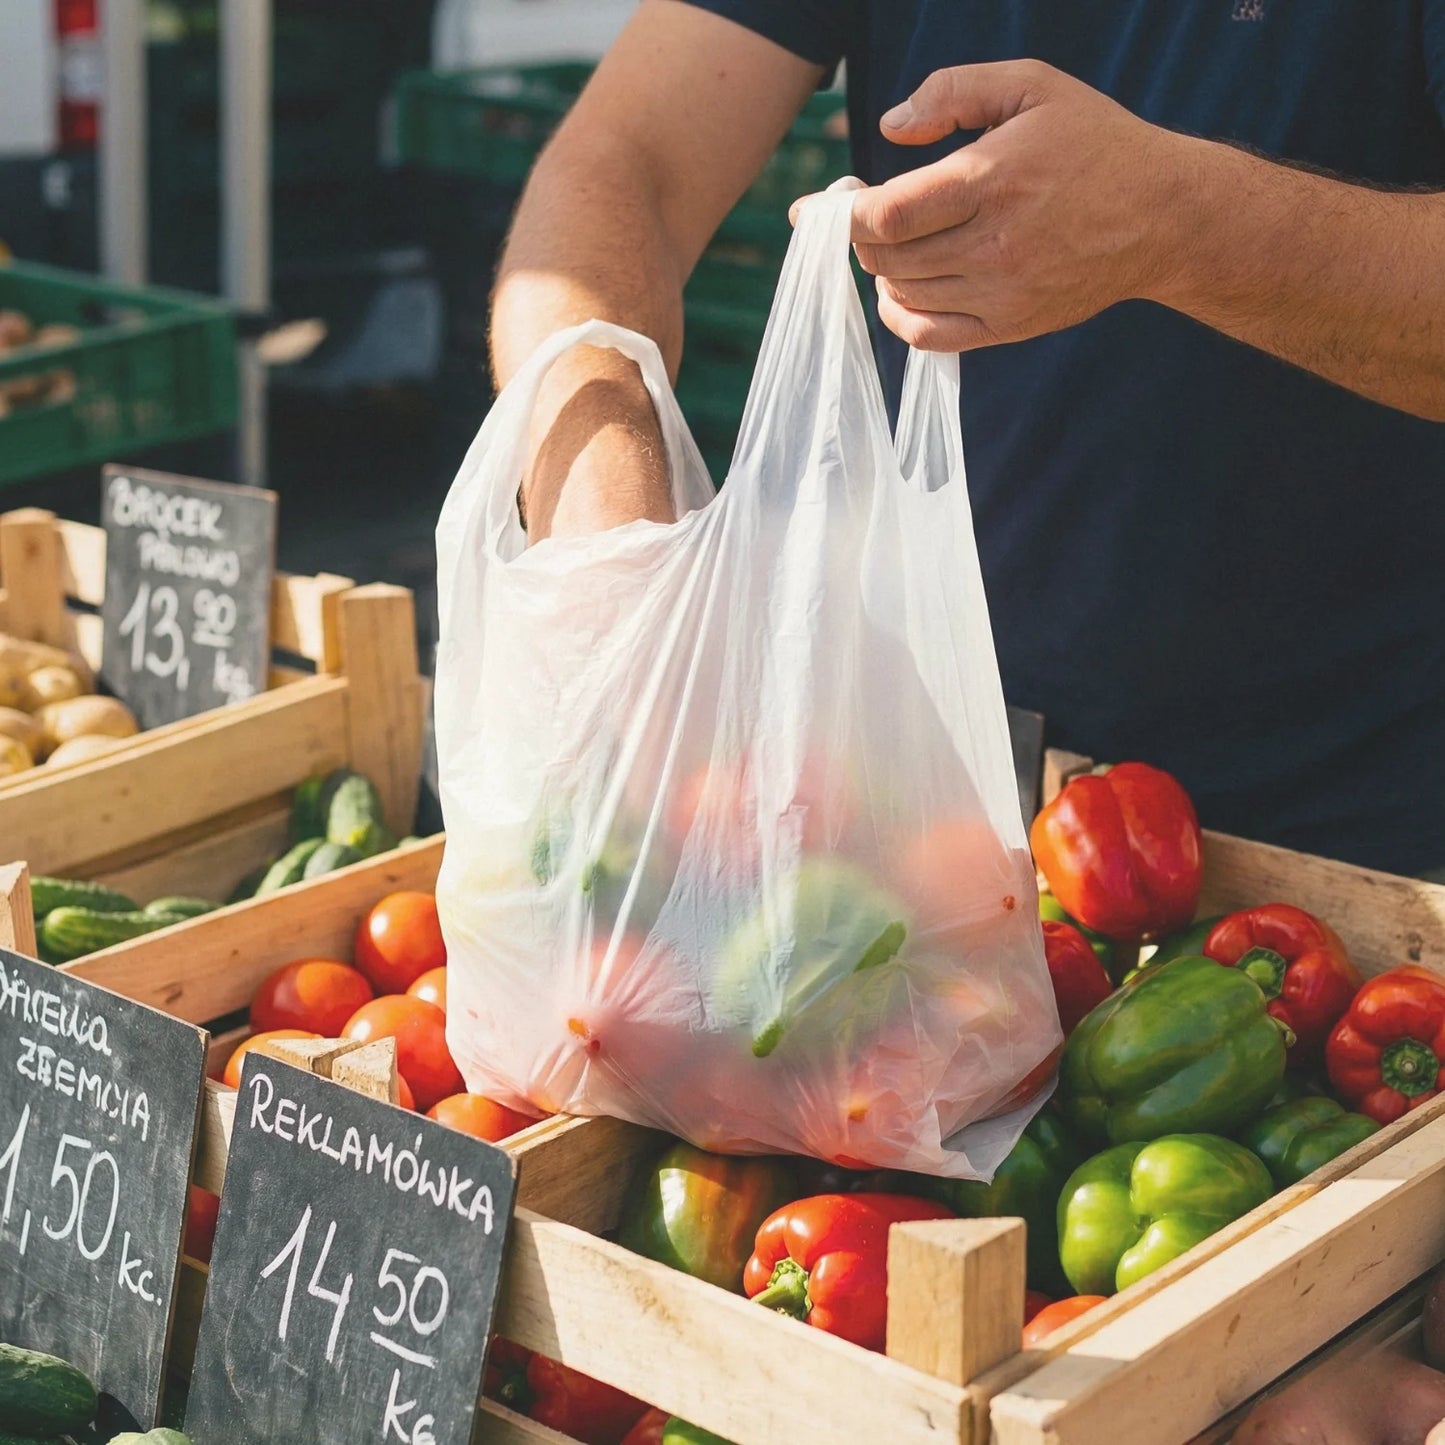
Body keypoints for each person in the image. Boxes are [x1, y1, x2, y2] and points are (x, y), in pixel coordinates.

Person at [489, 0, 1445, 876]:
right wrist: (604, 550)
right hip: (917, 775)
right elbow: (622, 161)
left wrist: (1183, 223)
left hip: (1368, 817)